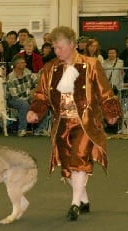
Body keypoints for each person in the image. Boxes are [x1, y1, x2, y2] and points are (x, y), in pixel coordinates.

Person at [26, 26, 121, 221]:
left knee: (79, 160)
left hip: (85, 122)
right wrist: (35, 110)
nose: (57, 52)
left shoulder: (91, 64)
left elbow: (105, 91)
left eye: (60, 47)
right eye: (54, 48)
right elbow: (41, 94)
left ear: (72, 44)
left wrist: (110, 112)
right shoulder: (50, 68)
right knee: (67, 168)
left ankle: (74, 204)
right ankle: (83, 199)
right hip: (61, 123)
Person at [6, 54, 38, 137]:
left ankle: (40, 129)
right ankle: (22, 129)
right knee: (24, 104)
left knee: (42, 101)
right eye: (23, 63)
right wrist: (30, 97)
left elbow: (37, 82)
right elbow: (15, 96)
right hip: (13, 100)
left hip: (27, 97)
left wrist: (35, 92)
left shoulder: (28, 72)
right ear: (17, 65)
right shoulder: (11, 77)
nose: (25, 64)